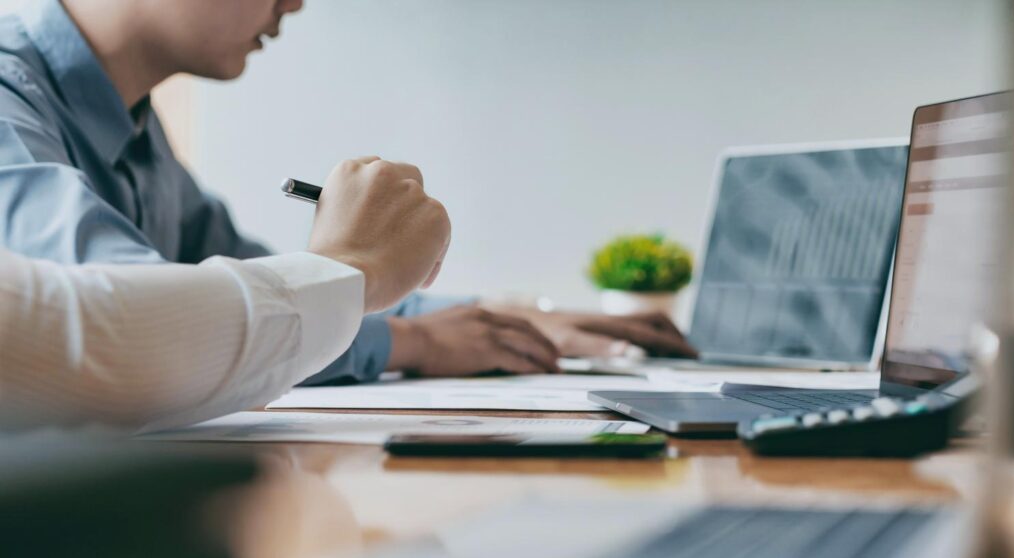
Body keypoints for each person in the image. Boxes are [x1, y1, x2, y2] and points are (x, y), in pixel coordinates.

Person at [0, 0, 696, 385]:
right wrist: (397, 325)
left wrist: (503, 319)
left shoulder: (137, 135)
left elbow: (242, 282)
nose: (299, 2)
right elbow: (140, 331)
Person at [0, 156, 454, 432]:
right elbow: (131, 339)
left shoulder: (141, 136)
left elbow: (241, 267)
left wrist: (485, 315)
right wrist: (354, 270)